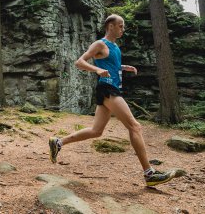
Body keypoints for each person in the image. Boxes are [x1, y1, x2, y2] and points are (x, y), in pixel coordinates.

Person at [48, 14, 177, 187]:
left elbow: (110, 65)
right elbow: (79, 62)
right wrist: (97, 70)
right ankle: (149, 174)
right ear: (110, 26)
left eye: (123, 26)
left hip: (112, 87)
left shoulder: (115, 47)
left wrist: (123, 67)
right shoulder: (100, 44)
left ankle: (59, 142)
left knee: (96, 131)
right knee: (135, 126)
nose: (122, 29)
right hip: (108, 88)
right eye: (120, 26)